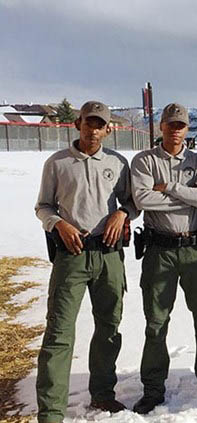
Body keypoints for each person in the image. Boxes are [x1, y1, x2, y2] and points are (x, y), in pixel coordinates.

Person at [35, 101, 138, 423]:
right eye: (88, 123)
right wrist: (58, 224)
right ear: (77, 123)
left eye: (100, 124)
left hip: (108, 256)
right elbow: (43, 206)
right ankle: (51, 411)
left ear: (109, 128)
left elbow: (132, 202)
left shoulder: (118, 162)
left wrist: (122, 213)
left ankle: (103, 395)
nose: (93, 129)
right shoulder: (58, 163)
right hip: (72, 255)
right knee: (59, 333)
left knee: (109, 327)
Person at [130, 103, 197, 413]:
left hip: (195, 250)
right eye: (170, 124)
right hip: (159, 251)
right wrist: (188, 196)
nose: (175, 130)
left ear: (187, 129)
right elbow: (143, 198)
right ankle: (152, 389)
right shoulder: (145, 161)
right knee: (156, 323)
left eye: (181, 125)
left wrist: (171, 188)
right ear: (161, 126)